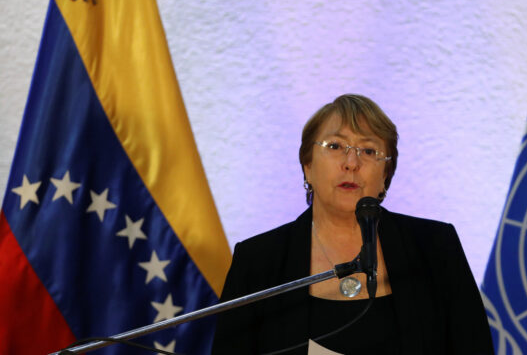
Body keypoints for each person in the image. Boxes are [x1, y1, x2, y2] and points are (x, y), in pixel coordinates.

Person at [211, 94, 493, 354]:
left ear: (386, 174)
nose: (351, 163)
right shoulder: (258, 260)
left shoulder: (435, 247)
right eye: (335, 146)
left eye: (369, 151)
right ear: (307, 165)